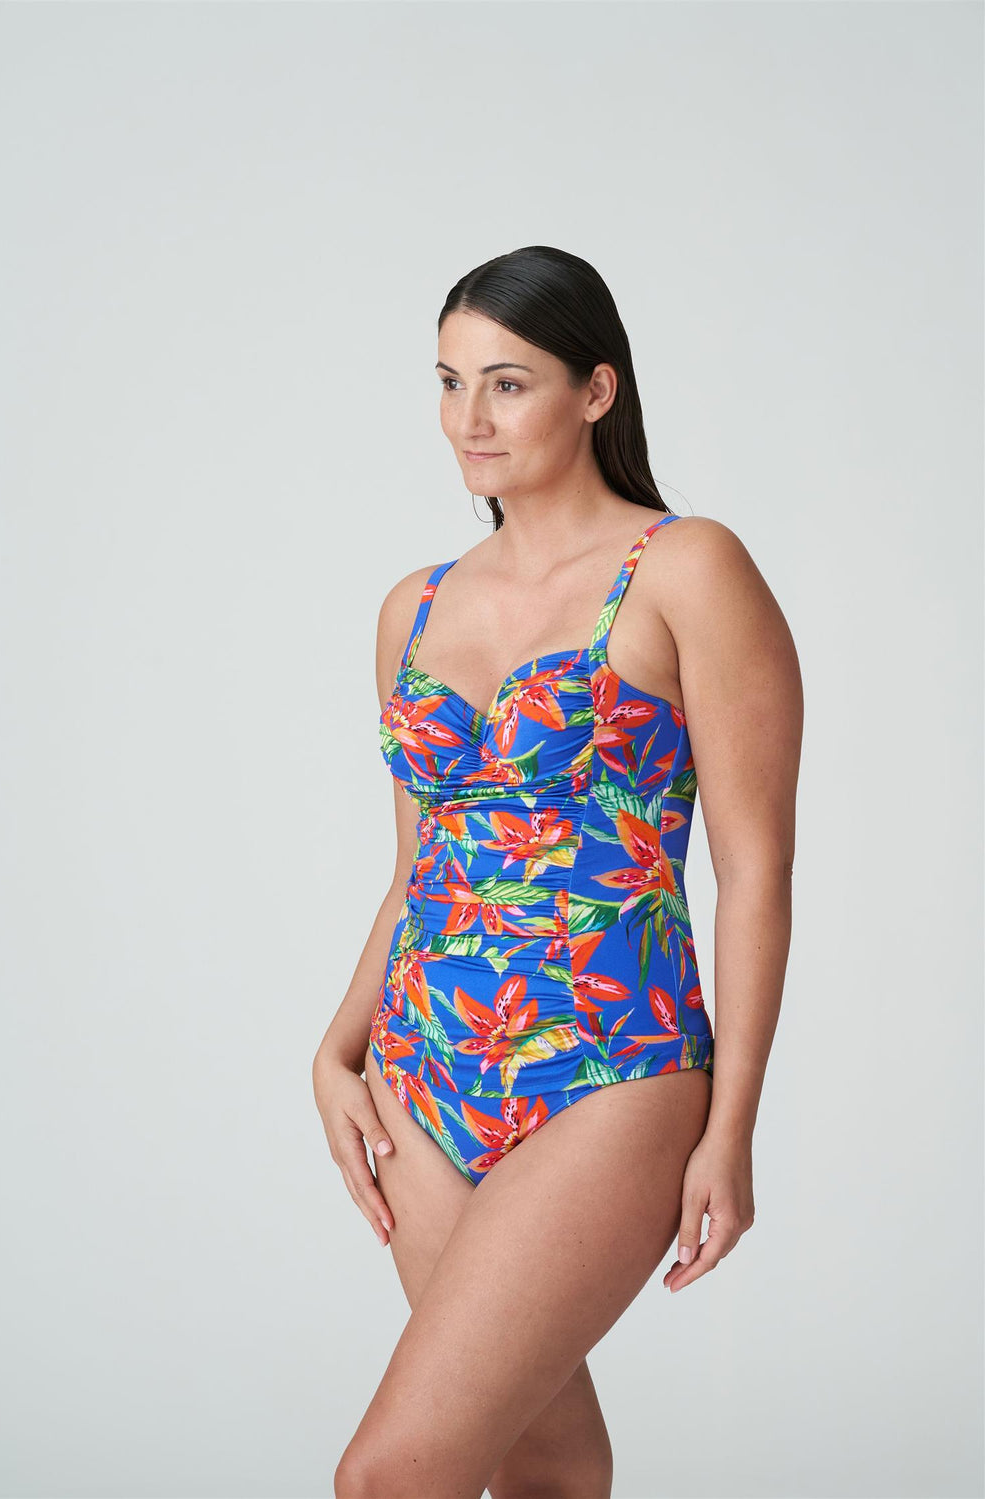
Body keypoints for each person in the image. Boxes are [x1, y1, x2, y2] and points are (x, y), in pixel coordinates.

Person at [313, 245, 803, 1499]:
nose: (468, 419)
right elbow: (422, 864)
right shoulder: (412, 607)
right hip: (421, 1070)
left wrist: (731, 1127)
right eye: (448, 382)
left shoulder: (686, 567)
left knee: (389, 1473)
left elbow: (753, 869)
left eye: (507, 383)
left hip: (612, 1066)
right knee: (548, 1469)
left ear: (595, 390)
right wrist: (336, 1047)